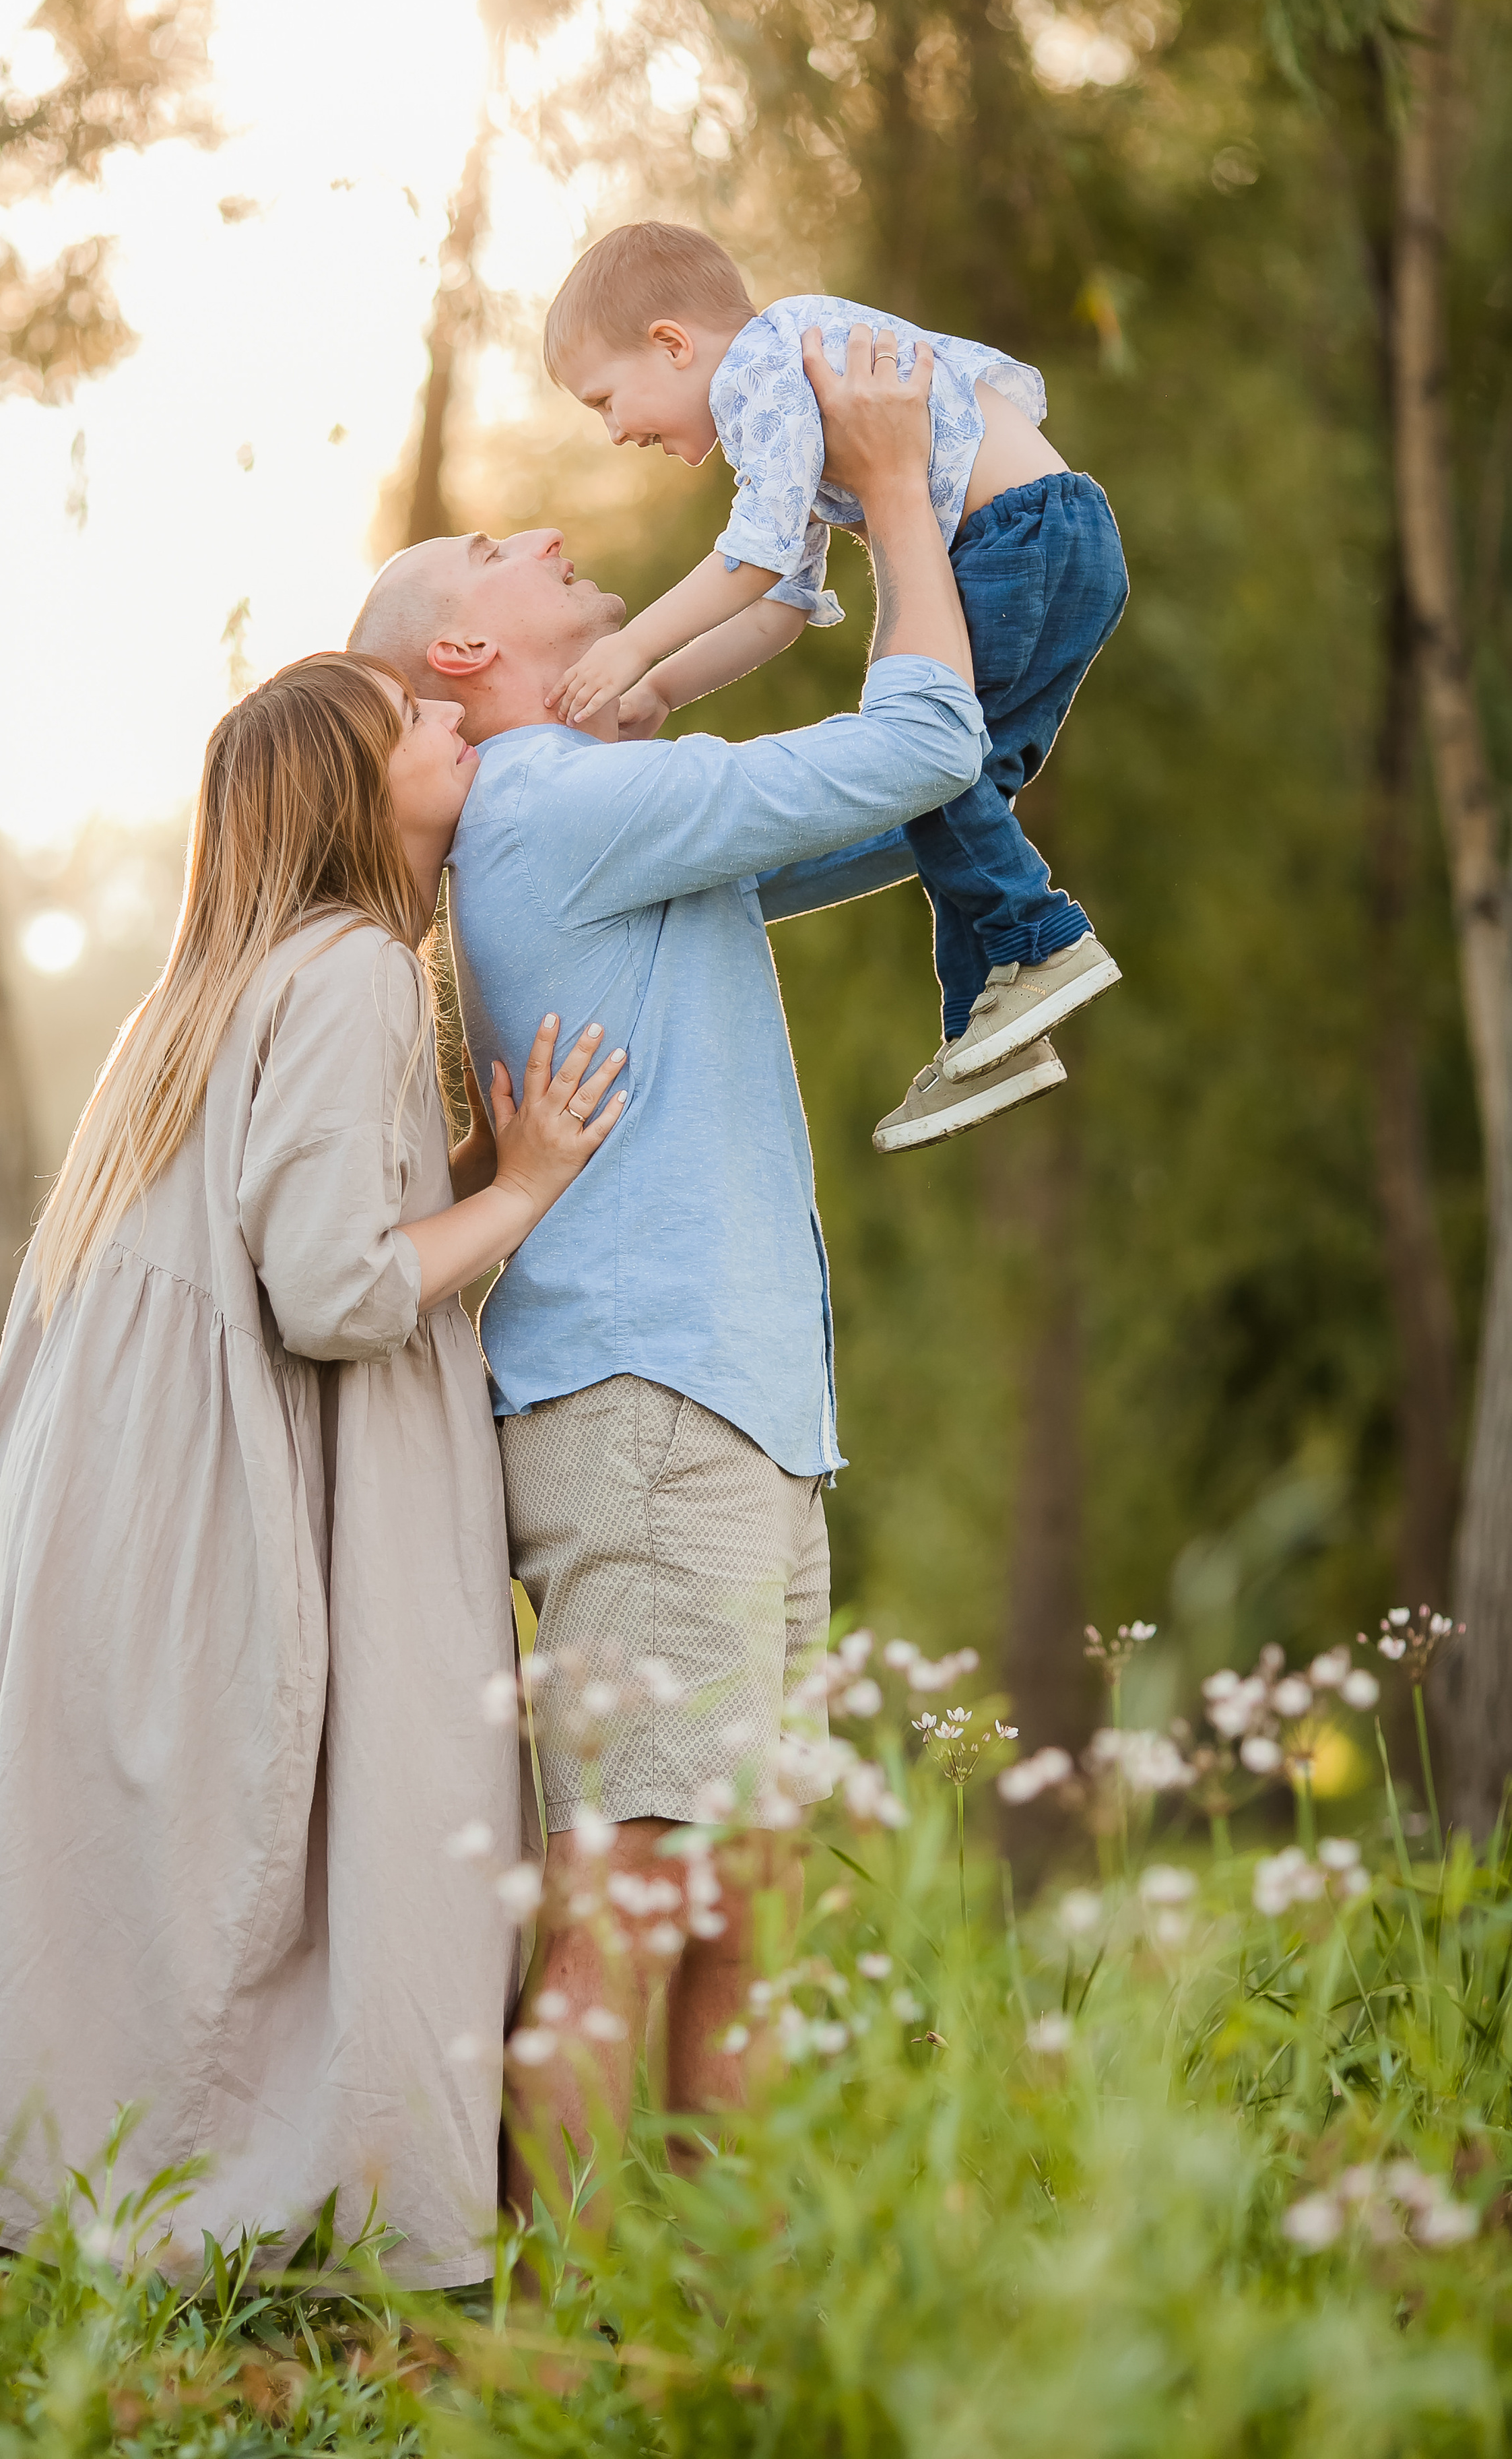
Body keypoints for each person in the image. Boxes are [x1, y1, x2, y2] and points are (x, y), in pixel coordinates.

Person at [0, 654, 627, 2284]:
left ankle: (27, 2196)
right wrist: (527, 1186)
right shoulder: (352, 973)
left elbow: (297, 1220)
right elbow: (327, 1294)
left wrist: (451, 1167)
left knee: (117, 1841)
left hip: (106, 1483)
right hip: (217, 1478)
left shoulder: (210, 990)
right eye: (421, 720)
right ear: (356, 788)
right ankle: (232, 2225)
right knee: (243, 1843)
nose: (455, 722)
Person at [349, 327, 992, 2207]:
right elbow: (922, 738)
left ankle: (711, 2306)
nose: (543, 525)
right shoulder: (551, 808)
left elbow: (914, 790)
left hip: (723, 1409)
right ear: (465, 657)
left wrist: (941, 603)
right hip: (653, 1414)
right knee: (640, 1887)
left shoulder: (599, 814)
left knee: (742, 1890)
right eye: (497, 548)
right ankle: (561, 2341)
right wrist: (884, 496)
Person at [541, 220, 1130, 1153]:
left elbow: (754, 555)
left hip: (1018, 540)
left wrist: (629, 650)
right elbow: (779, 604)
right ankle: (989, 1031)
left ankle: (1040, 939)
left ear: (671, 343)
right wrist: (663, 691)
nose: (615, 432)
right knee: (953, 788)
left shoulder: (767, 367)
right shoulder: (781, 405)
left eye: (606, 400)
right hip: (1055, 544)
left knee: (922, 765)